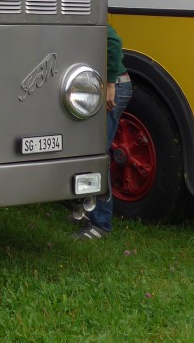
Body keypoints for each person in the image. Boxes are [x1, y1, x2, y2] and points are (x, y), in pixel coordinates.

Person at [73, 24, 133, 240]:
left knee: (97, 153)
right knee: (90, 151)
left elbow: (114, 42)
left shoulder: (81, 10)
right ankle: (90, 213)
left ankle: (101, 224)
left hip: (114, 87)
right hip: (100, 86)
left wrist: (109, 84)